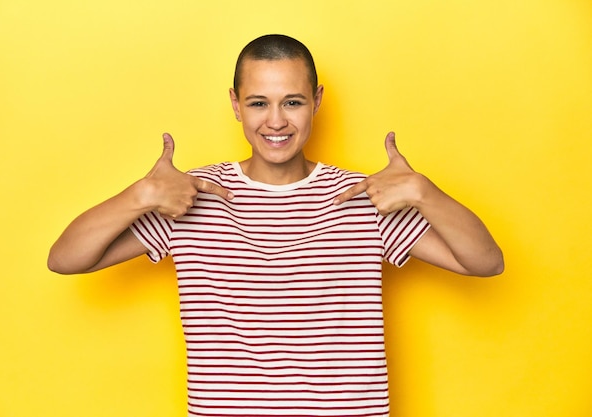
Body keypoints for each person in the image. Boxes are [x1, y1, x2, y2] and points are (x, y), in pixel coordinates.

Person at [49, 34, 503, 417]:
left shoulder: (365, 196)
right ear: (235, 104)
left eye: (293, 102)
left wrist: (426, 192)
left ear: (317, 101)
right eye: (258, 103)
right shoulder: (191, 196)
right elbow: (66, 258)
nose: (276, 121)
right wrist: (140, 196)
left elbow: (484, 262)